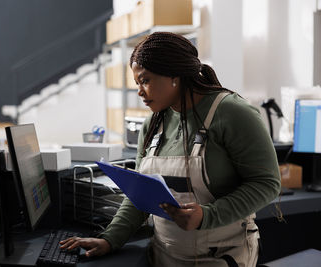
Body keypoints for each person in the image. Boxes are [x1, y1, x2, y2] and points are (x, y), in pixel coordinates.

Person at [59, 32, 281, 266]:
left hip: (221, 256)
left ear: (174, 75)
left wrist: (206, 215)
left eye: (145, 80)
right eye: (137, 83)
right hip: (163, 255)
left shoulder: (233, 113)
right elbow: (139, 195)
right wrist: (110, 239)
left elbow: (267, 183)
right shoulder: (153, 124)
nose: (140, 91)